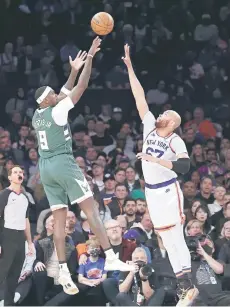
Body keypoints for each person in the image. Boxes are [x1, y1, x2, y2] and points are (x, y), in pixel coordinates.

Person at [32, 37, 134, 295]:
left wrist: (72, 71)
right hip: (63, 162)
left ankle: (63, 270)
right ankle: (110, 256)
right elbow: (82, 87)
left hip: (45, 167)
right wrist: (89, 59)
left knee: (58, 219)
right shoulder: (57, 111)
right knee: (91, 210)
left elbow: (63, 92)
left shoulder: (38, 115)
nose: (58, 94)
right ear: (48, 101)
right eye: (53, 94)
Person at [122, 44, 198, 306]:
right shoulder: (149, 127)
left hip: (168, 189)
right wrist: (130, 67)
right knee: (165, 238)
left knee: (176, 237)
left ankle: (187, 286)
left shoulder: (176, 141)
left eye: (165, 113)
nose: (160, 113)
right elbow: (139, 96)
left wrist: (155, 159)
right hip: (152, 192)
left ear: (172, 122)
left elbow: (185, 167)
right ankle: (184, 288)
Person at [0, 165, 34, 306]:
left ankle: (8, 304)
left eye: (21, 172)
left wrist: (30, 242)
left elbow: (26, 220)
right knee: (2, 272)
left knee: (14, 275)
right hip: (7, 235)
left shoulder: (25, 197)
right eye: (15, 172)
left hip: (20, 238)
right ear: (9, 177)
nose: (19, 174)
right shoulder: (4, 194)